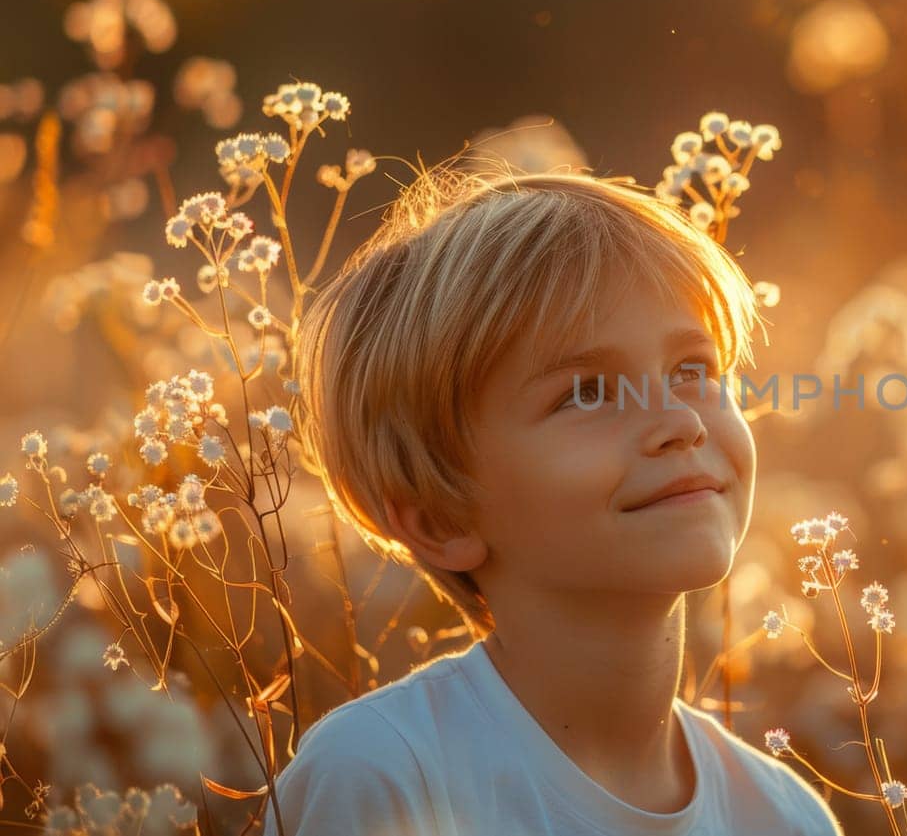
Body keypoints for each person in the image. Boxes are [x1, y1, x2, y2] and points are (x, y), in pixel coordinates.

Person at [266, 167, 842, 835]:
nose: (680, 421)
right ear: (440, 518)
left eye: (692, 369)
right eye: (588, 392)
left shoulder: (785, 817)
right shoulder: (384, 774)